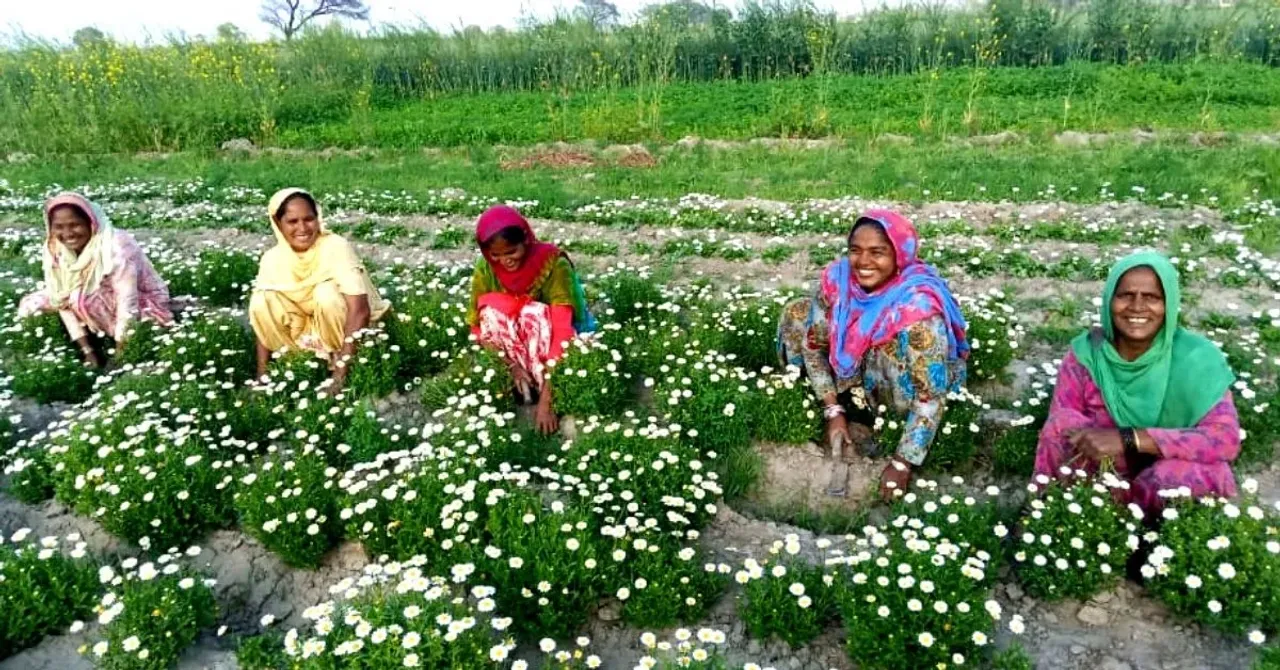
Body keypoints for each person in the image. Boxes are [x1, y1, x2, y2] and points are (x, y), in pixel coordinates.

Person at [778, 209, 969, 499]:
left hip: (903, 389)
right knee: (797, 312)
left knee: (896, 347)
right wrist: (833, 410)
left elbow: (930, 396)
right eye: (855, 250)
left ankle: (882, 425)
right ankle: (835, 404)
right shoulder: (837, 282)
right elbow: (813, 347)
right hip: (858, 374)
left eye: (877, 252)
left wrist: (903, 463)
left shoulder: (917, 309)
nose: (863, 262)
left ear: (899, 255)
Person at [1033, 251, 1239, 515]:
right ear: (1109, 301)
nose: (1137, 306)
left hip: (1168, 476)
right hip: (1104, 475)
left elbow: (1224, 439)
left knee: (1193, 473)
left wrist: (1130, 439)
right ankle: (1052, 517)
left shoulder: (1197, 359)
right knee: (1061, 425)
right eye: (1125, 295)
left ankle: (1148, 538)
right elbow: (1061, 427)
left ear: (1169, 305)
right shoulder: (1087, 355)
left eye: (1152, 297)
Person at [467, 205, 596, 434]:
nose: (505, 261)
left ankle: (545, 384)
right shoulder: (486, 269)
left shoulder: (553, 264)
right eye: (496, 255)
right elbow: (477, 327)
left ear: (526, 239)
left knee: (532, 314)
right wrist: (512, 366)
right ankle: (522, 378)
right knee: (491, 313)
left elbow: (562, 330)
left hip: (553, 341)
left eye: (511, 251)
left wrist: (547, 402)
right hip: (518, 347)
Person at [249, 188, 389, 392]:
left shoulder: (336, 247)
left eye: (309, 219)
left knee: (327, 295)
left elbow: (360, 310)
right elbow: (261, 318)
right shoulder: (272, 259)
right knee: (261, 301)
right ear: (278, 224)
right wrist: (262, 375)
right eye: (292, 221)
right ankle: (303, 359)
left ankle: (340, 362)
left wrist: (339, 377)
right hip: (305, 334)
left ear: (318, 218)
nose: (303, 228)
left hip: (347, 332)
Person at [18, 192, 173, 367]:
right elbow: (62, 298)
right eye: (59, 227)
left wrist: (122, 349)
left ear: (91, 223)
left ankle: (117, 340)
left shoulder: (116, 245)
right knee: (37, 303)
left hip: (139, 302)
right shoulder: (57, 249)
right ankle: (88, 343)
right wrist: (87, 350)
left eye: (75, 225)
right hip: (90, 297)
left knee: (81, 299)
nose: (67, 233)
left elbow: (127, 300)